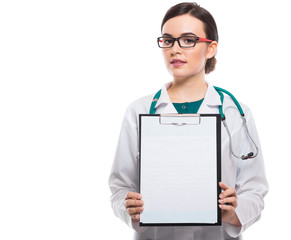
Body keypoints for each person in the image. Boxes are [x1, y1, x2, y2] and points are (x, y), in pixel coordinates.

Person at [108, 2, 268, 239]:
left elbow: (255, 189)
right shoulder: (138, 111)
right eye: (168, 40)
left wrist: (233, 213)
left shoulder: (235, 113)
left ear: (211, 48)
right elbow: (120, 187)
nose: (175, 49)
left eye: (188, 40)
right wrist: (130, 208)